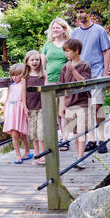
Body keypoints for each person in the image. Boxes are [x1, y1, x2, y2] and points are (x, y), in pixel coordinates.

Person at [71, 2, 110, 153]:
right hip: (80, 76)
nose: (80, 14)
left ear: (90, 14)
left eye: (83, 11)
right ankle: (92, 140)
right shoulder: (75, 33)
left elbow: (106, 52)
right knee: (86, 110)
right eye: (78, 12)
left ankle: (102, 140)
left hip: (96, 73)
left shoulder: (99, 30)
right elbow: (72, 54)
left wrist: (105, 74)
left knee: (97, 107)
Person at [59, 39, 91, 169]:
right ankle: (78, 155)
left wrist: (73, 71)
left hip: (82, 102)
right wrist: (62, 105)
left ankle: (80, 157)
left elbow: (84, 82)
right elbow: (61, 86)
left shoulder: (85, 66)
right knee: (75, 132)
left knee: (82, 131)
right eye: (64, 51)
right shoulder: (64, 67)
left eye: (68, 51)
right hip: (70, 103)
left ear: (76, 51)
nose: (66, 54)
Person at [41, 17, 72, 151]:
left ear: (64, 29)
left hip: (64, 83)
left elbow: (71, 61)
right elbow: (43, 64)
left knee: (64, 111)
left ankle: (65, 139)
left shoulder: (68, 44)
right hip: (50, 82)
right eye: (53, 28)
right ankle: (62, 136)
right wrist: (45, 79)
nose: (55, 30)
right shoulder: (47, 45)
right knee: (56, 113)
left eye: (57, 27)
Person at [21, 50, 47, 165]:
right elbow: (23, 93)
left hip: (42, 106)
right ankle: (36, 155)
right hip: (31, 107)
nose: (35, 62)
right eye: (32, 60)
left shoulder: (43, 74)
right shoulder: (25, 77)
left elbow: (47, 89)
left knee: (41, 132)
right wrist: (25, 107)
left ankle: (43, 155)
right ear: (27, 62)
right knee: (34, 133)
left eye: (37, 60)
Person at [2, 63, 32, 164]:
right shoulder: (10, 86)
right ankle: (18, 155)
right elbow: (7, 99)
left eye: (17, 75)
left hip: (20, 109)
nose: (14, 77)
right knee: (14, 135)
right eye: (12, 75)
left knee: (22, 133)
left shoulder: (24, 85)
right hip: (11, 110)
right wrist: (4, 111)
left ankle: (27, 150)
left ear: (22, 74)